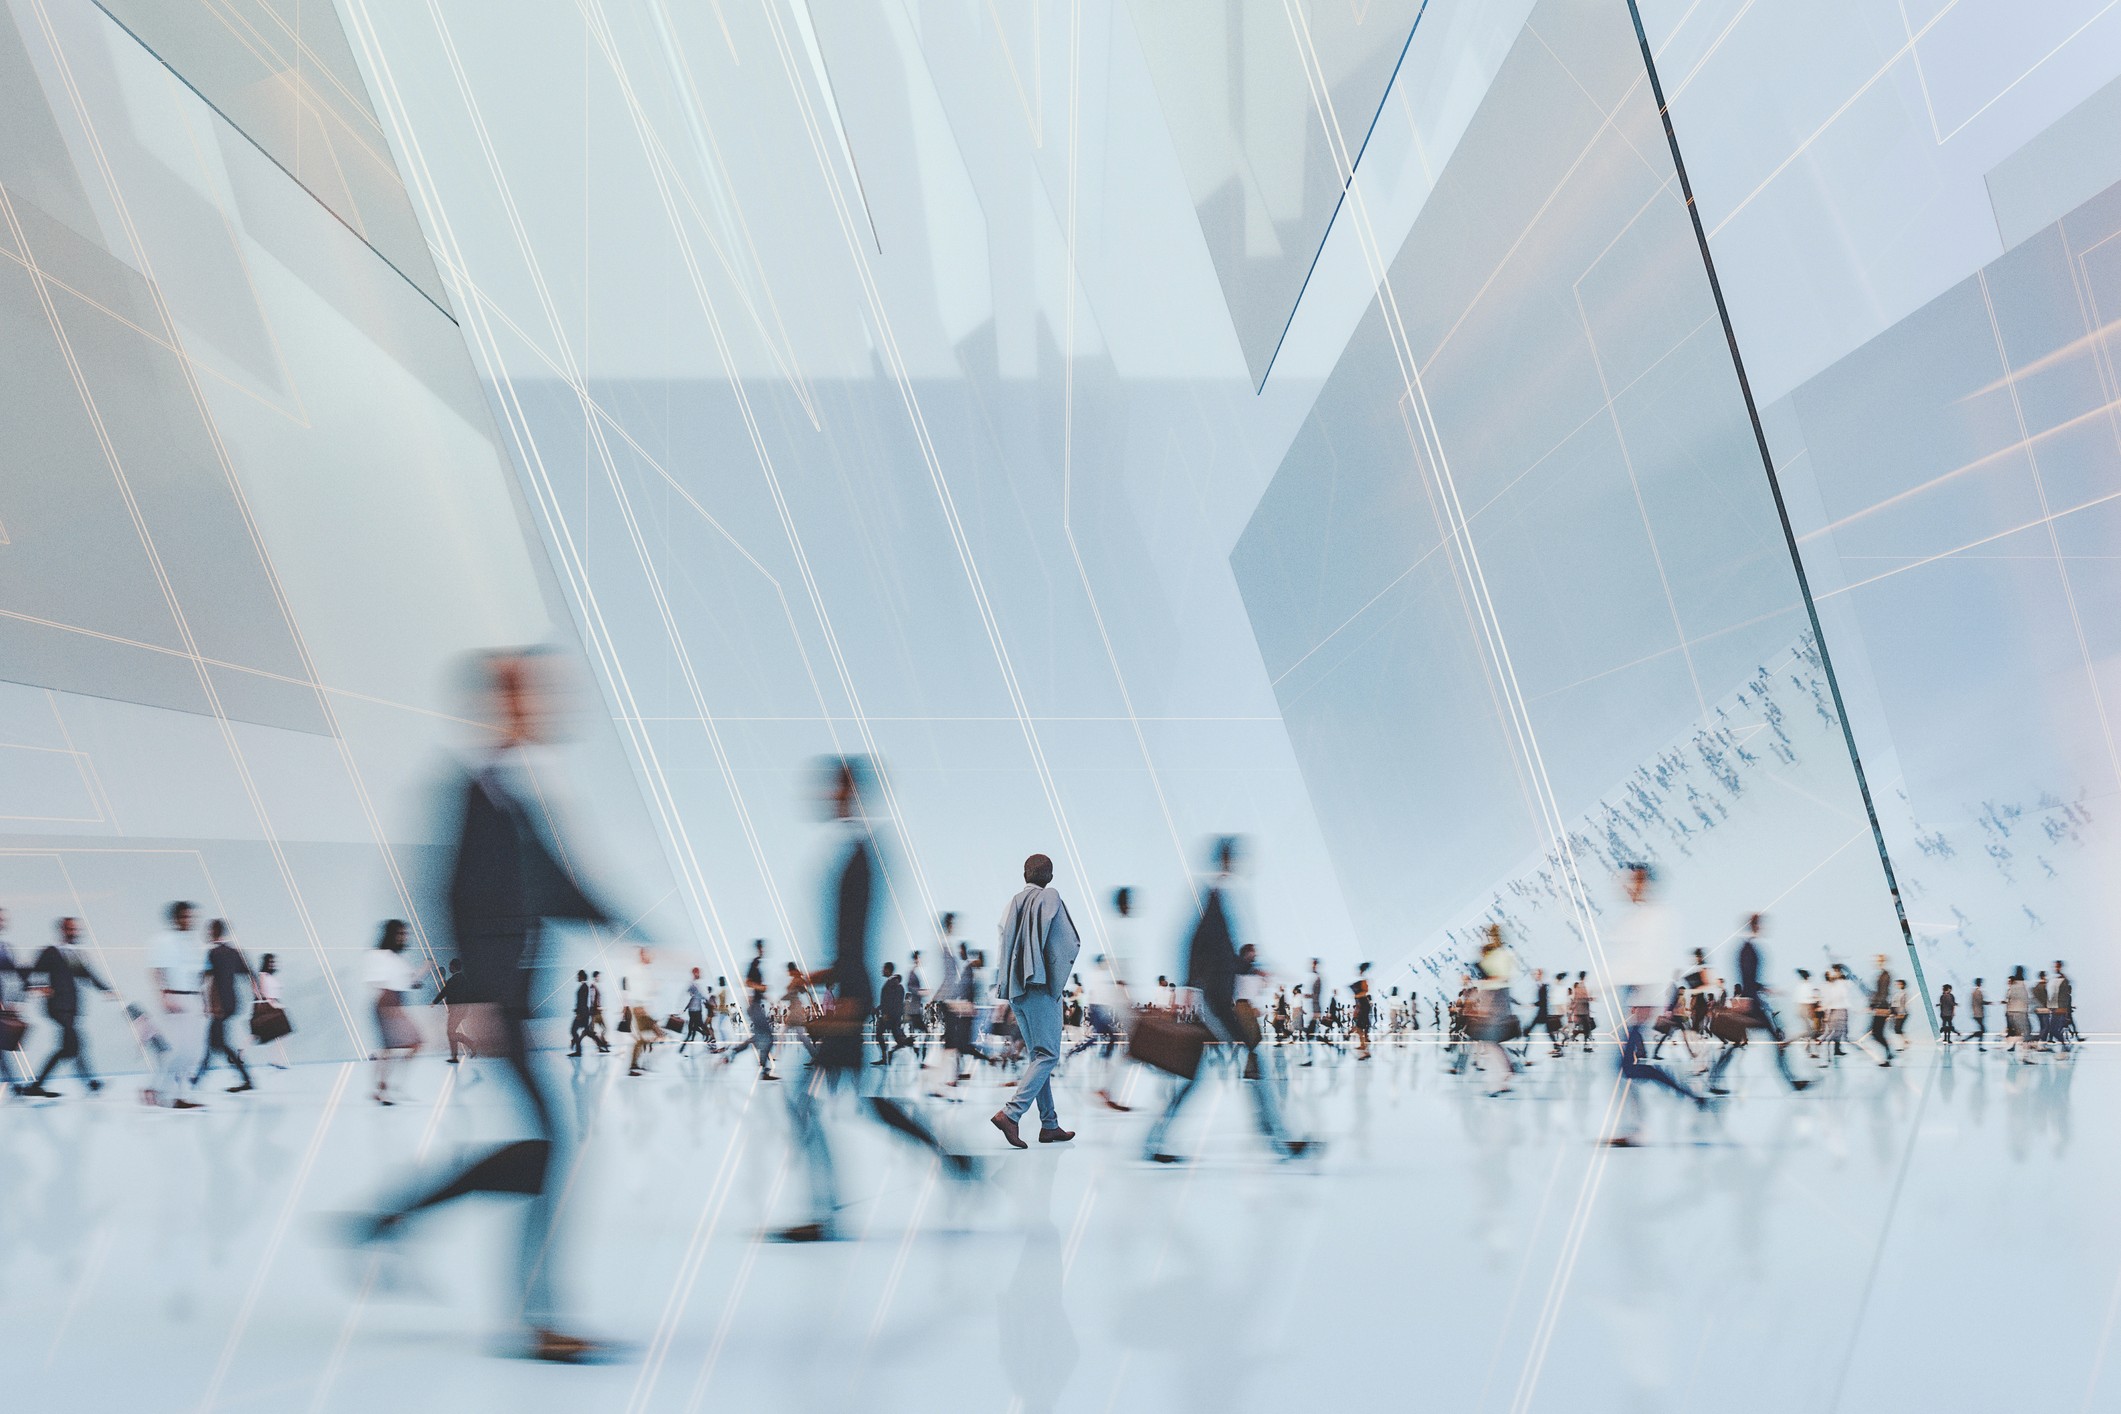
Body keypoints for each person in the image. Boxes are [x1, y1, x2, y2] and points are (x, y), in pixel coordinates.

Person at [349, 647, 634, 1362]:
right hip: (498, 1002)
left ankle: (392, 1218)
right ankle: (538, 1317)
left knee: (541, 1150)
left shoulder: (513, 799)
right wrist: (470, 997)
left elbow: (560, 891)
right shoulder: (477, 794)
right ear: (501, 705)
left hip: (511, 1001)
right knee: (550, 1148)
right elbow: (449, 892)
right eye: (528, 693)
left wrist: (635, 935)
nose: (543, 705)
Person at [775, 758, 975, 1242]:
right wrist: (813, 978)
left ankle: (825, 1210)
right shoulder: (860, 853)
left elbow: (853, 945)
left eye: (836, 788)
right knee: (869, 1102)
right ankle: (958, 1163)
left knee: (803, 1099)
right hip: (852, 992)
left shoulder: (861, 857)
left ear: (852, 793)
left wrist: (834, 990)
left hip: (852, 997)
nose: (829, 796)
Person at [1142, 837, 1313, 1164]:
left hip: (1215, 998)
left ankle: (1157, 1139)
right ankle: (1275, 1135)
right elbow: (1193, 946)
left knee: (1204, 1073)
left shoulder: (1219, 896)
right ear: (1226, 859)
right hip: (1215, 1001)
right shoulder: (1214, 896)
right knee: (1248, 1059)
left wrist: (1251, 969)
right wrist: (1187, 990)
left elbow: (1217, 955)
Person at [1602, 864, 1706, 1147]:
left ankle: (1642, 1124)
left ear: (1644, 884)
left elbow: (1653, 964)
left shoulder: (1655, 918)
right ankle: (1686, 1098)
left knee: (1626, 1066)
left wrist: (1647, 1000)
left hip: (1643, 999)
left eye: (1633, 882)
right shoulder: (1637, 917)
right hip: (1635, 998)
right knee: (1627, 1066)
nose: (1628, 887)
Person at [991, 853, 1081, 1149]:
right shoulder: (1050, 897)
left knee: (1038, 1057)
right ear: (1050, 876)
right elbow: (1065, 942)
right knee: (1048, 1055)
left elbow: (1003, 943)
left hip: (1016, 991)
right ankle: (1011, 1113)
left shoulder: (1010, 904)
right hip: (1040, 988)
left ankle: (1049, 1125)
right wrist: (1054, 980)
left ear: (1024, 874)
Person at [1704, 914, 1807, 1095]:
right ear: (1756, 926)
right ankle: (1792, 1082)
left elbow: (1750, 979)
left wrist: (1766, 989)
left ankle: (1713, 1080)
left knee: (1744, 1041)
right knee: (1771, 1039)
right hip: (1752, 1004)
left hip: (1752, 1002)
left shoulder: (1746, 947)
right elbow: (1747, 977)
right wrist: (1748, 998)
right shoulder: (1747, 949)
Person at [17, 917, 112, 1098]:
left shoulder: (73, 954)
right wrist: (39, 988)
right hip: (57, 1008)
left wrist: (106, 989)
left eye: (76, 929)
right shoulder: (50, 952)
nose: (74, 932)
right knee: (72, 1044)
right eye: (71, 929)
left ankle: (40, 1085)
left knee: (71, 1047)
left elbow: (87, 974)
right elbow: (28, 972)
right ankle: (40, 1085)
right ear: (62, 930)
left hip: (70, 1007)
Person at [144, 901, 208, 1109]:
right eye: (185, 916)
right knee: (179, 1051)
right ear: (175, 918)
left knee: (192, 1052)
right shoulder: (163, 941)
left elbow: (198, 975)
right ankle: (157, 1090)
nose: (189, 920)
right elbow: (157, 970)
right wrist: (164, 995)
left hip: (194, 999)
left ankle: (179, 1095)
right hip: (175, 998)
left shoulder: (193, 942)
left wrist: (204, 1001)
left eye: (191, 916)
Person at [194, 920, 255, 1094]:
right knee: (216, 1042)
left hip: (220, 1004)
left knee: (217, 1042)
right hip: (232, 1003)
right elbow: (249, 973)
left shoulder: (213, 953)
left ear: (214, 932)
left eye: (209, 930)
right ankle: (199, 1077)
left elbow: (206, 979)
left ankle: (199, 1078)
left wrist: (209, 1003)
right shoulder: (235, 953)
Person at [367, 920, 423, 1104]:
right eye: (400, 934)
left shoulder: (398, 959)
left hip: (395, 1005)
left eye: (405, 934)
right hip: (387, 1006)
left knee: (411, 1045)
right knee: (394, 1049)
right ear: (391, 935)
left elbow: (411, 981)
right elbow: (377, 983)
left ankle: (385, 1087)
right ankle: (384, 1089)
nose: (403, 938)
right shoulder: (379, 956)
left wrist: (424, 970)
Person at [726, 940, 776, 1079]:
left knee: (758, 1037)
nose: (763, 951)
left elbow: (756, 989)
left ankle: (734, 1052)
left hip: (756, 1006)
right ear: (759, 949)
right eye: (762, 948)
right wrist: (761, 988)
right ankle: (764, 1070)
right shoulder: (754, 964)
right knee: (770, 1037)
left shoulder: (757, 965)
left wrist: (767, 996)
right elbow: (747, 982)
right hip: (754, 1007)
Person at [253, 953, 291, 1068]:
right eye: (270, 962)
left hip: (274, 1006)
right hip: (270, 1007)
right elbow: (262, 991)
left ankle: (276, 1060)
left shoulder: (269, 976)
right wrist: (272, 1003)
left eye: (273, 962)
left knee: (280, 1034)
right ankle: (276, 1060)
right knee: (279, 1033)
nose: (272, 964)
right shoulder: (263, 975)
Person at [437, 958, 475, 1063]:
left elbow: (444, 992)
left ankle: (470, 1044)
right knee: (451, 1032)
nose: (449, 968)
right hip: (460, 1010)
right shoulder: (463, 979)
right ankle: (455, 1055)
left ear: (453, 967)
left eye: (450, 966)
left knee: (450, 1032)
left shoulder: (453, 980)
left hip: (456, 1010)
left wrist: (434, 1002)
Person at [681, 967, 714, 1052]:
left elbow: (705, 996)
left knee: (698, 1024)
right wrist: (684, 1008)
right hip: (692, 1009)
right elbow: (688, 994)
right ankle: (694, 1037)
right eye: (694, 973)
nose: (695, 974)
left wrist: (708, 1002)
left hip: (697, 1009)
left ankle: (705, 1035)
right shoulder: (692, 983)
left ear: (698, 973)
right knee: (693, 1025)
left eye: (696, 972)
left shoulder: (701, 983)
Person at [567, 969, 593, 1057]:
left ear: (581, 976)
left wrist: (579, 1014)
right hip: (583, 1013)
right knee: (587, 1032)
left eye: (578, 976)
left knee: (574, 1030)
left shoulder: (584, 987)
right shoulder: (584, 986)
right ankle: (602, 1045)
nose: (577, 977)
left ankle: (578, 1050)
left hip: (582, 1014)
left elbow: (582, 1002)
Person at [1965, 977, 1987, 1051]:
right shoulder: (1978, 992)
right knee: (1983, 1030)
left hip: (1977, 1013)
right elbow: (1981, 1002)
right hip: (1979, 1014)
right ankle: (1977, 1045)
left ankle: (1968, 1040)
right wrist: (1990, 1003)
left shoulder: (1974, 992)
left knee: (1982, 1030)